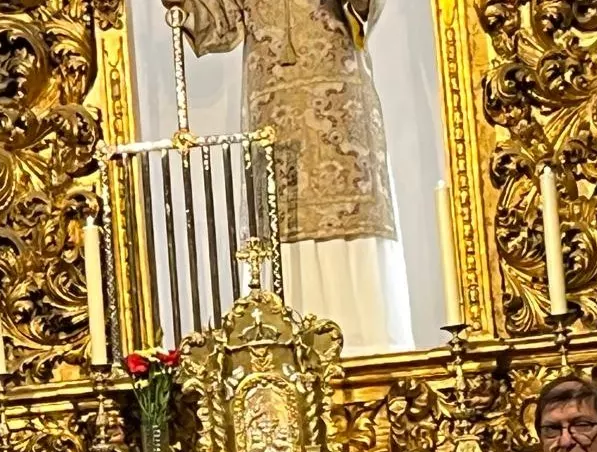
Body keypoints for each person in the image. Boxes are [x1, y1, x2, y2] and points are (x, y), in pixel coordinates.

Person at [162, 0, 413, 354]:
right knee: (280, 239)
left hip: (341, 117)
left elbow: (364, 9)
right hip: (272, 121)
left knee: (351, 246)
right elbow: (219, 23)